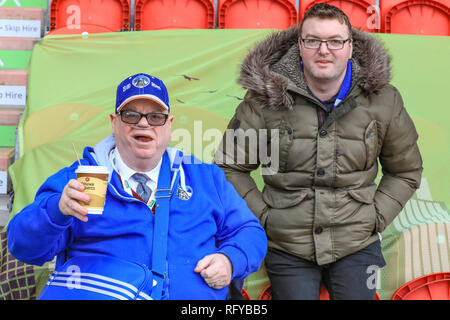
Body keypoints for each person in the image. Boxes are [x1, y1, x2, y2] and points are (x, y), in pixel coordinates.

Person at [214, 3, 422, 300]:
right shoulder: (265, 98)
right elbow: (229, 166)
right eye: (313, 40)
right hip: (287, 244)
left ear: (350, 47)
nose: (324, 50)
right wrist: (265, 218)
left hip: (357, 241)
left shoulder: (383, 100)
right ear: (300, 45)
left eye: (335, 41)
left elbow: (406, 169)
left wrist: (376, 217)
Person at [7, 73, 267, 300]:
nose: (143, 123)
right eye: (131, 114)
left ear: (169, 125)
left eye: (155, 116)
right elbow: (24, 247)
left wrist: (231, 260)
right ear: (114, 122)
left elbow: (249, 232)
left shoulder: (205, 178)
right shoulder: (77, 180)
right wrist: (56, 210)